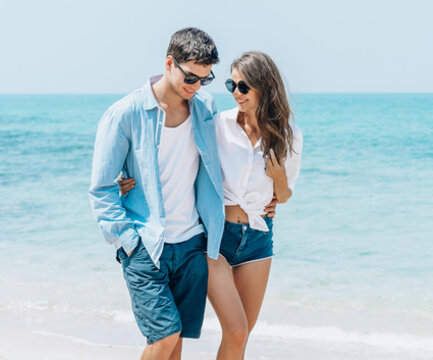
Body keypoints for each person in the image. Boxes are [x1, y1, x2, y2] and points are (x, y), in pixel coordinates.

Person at [120, 50, 302, 359]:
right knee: (236, 328)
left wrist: (279, 178)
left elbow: (283, 196)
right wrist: (129, 178)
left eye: (243, 87)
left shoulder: (290, 136)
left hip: (258, 240)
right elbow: (175, 158)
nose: (236, 94)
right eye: (231, 86)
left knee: (241, 335)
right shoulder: (218, 124)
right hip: (215, 238)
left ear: (265, 86)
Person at [89, 27, 225, 360]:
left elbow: (227, 156)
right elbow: (102, 188)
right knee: (165, 337)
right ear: (169, 63)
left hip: (192, 243)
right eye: (191, 78)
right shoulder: (125, 114)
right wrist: (128, 242)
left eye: (205, 80)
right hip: (146, 245)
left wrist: (270, 191)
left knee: (176, 344)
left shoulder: (205, 108)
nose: (196, 87)